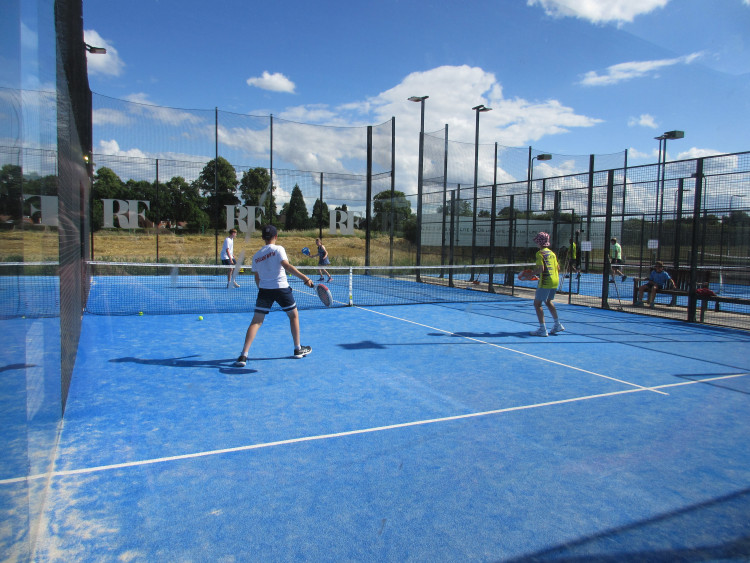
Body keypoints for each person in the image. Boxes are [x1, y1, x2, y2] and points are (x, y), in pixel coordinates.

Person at [234, 225, 315, 367]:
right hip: (281, 288)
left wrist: (263, 289)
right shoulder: (279, 249)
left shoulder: (256, 256)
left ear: (262, 238)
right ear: (276, 236)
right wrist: (305, 279)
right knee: (293, 316)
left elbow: (257, 277)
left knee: (256, 322)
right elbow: (287, 266)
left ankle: (243, 355)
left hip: (264, 290)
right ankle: (297, 349)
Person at [529, 232, 564, 337]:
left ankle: (542, 329)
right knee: (548, 301)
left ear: (539, 242)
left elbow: (541, 269)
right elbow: (558, 268)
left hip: (545, 282)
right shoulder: (552, 253)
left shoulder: (540, 253)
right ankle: (557, 324)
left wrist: (530, 274)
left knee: (537, 304)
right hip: (555, 280)